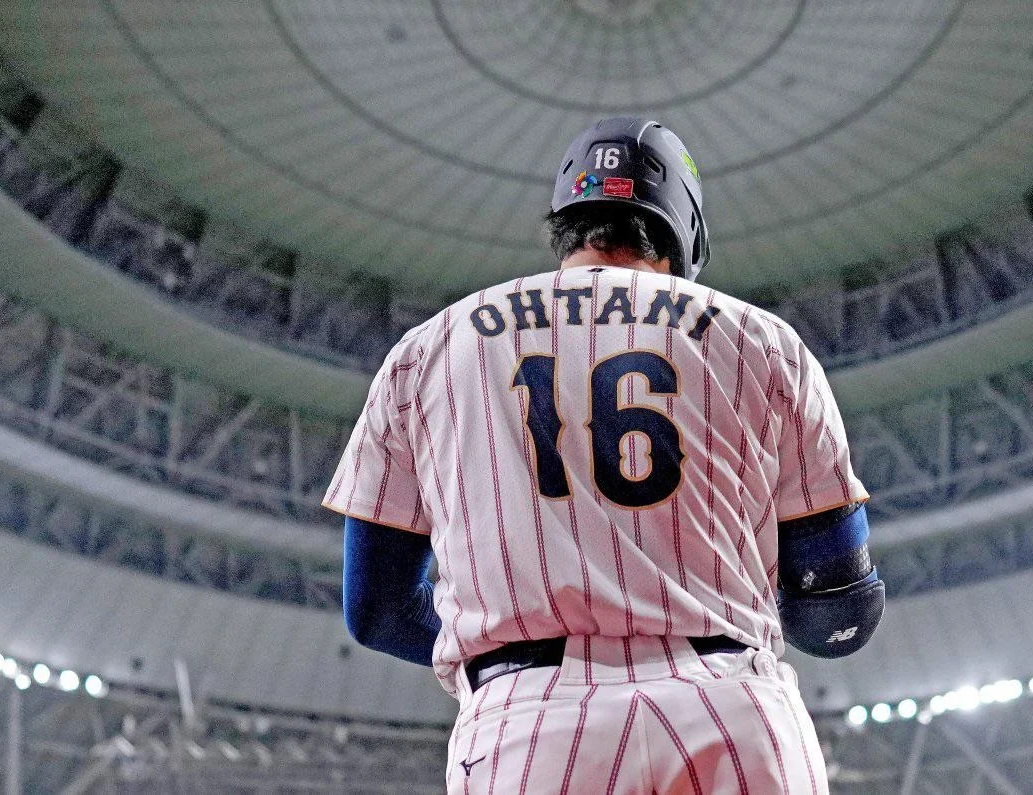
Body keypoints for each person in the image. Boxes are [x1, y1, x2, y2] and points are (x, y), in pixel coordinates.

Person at [324, 116, 882, 793]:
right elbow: (835, 607)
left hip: (530, 722)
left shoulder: (431, 348)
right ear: (685, 233)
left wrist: (509, 647)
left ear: (569, 222)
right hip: (731, 705)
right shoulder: (763, 341)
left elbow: (377, 609)